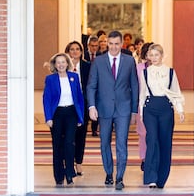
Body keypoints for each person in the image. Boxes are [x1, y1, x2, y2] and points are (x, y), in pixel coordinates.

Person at [86, 30, 139, 190]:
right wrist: (91, 106)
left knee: (122, 143)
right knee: (104, 143)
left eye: (117, 44)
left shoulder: (129, 61)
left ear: (121, 44)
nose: (114, 47)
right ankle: (109, 173)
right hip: (104, 108)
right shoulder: (98, 62)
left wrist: (134, 110)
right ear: (106, 43)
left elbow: (134, 86)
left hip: (124, 109)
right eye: (111, 44)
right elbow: (91, 85)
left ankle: (120, 177)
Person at [138, 44, 185, 189]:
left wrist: (180, 109)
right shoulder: (145, 72)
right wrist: (140, 112)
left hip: (166, 108)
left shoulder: (170, 72)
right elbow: (143, 93)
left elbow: (175, 91)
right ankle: (151, 177)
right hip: (150, 107)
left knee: (165, 141)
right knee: (152, 139)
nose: (153, 58)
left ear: (162, 55)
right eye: (151, 55)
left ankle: (161, 178)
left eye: (156, 55)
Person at [42, 53, 85, 187]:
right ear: (54, 65)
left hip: (71, 113)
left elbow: (79, 98)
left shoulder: (74, 77)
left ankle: (69, 173)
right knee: (57, 145)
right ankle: (59, 176)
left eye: (63, 62)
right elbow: (47, 99)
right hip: (57, 114)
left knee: (69, 143)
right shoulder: (50, 79)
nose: (61, 64)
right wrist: (48, 117)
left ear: (67, 64)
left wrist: (80, 117)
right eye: (58, 62)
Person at [64, 41, 91, 176]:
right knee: (68, 135)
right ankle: (68, 163)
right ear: (68, 52)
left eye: (77, 49)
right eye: (71, 49)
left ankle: (78, 163)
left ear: (81, 52)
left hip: (82, 105)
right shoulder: (63, 66)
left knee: (81, 135)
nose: (74, 52)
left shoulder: (87, 66)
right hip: (67, 105)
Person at [135, 42, 153, 172]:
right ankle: (144, 158)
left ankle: (153, 158)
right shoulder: (138, 68)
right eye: (148, 53)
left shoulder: (162, 68)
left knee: (155, 133)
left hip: (156, 104)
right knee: (143, 133)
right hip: (141, 105)